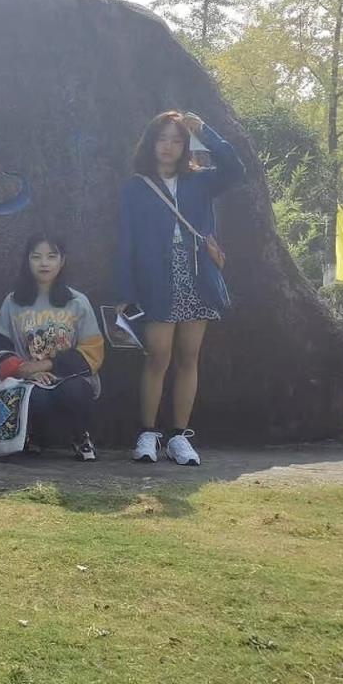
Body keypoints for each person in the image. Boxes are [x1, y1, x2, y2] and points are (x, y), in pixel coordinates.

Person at [113, 111, 245, 465]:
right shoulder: (136, 187)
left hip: (196, 274)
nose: (168, 147)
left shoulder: (200, 181)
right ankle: (147, 433)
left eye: (176, 140)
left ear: (186, 145)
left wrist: (206, 131)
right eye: (162, 139)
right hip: (155, 278)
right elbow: (126, 242)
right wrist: (125, 292)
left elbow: (236, 170)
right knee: (158, 356)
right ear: (150, 143)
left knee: (188, 357)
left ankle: (178, 436)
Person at [0, 233, 104, 461]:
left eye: (51, 256)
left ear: (62, 261)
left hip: (70, 377)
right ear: (27, 261)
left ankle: (81, 436)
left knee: (75, 391)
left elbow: (93, 351)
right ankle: (33, 436)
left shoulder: (77, 302)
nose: (44, 263)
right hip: (28, 378)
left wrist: (48, 365)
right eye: (36, 257)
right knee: (36, 396)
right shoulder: (13, 302)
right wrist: (24, 370)